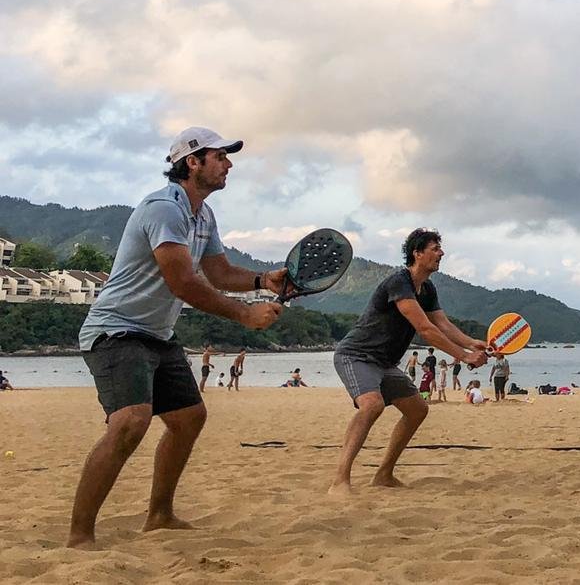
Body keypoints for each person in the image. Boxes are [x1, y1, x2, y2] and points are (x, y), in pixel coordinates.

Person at [68, 127, 285, 549]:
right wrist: (244, 314)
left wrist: (263, 279)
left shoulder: (203, 215)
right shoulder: (163, 209)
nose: (229, 164)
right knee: (131, 421)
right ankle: (80, 536)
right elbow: (184, 282)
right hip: (116, 330)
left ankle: (160, 515)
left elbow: (219, 273)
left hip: (157, 334)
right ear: (193, 162)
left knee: (189, 418)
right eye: (220, 156)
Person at [329, 228, 487, 494]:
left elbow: (442, 324)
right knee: (372, 405)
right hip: (356, 355)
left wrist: (471, 343)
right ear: (417, 253)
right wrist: (463, 356)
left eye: (440, 248)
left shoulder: (427, 289)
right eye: (435, 248)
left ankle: (384, 475)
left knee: (418, 410)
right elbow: (425, 329)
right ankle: (340, 481)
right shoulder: (399, 282)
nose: (441, 253)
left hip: (384, 363)